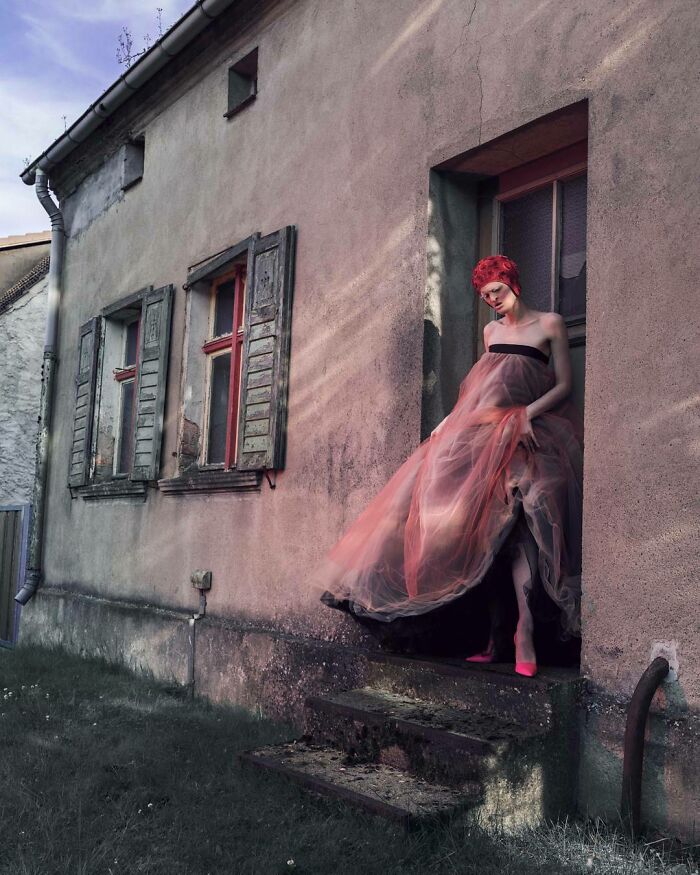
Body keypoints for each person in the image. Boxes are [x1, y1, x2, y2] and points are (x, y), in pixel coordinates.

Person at [318, 255, 583, 677]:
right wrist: (445, 425)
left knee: (523, 527)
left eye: (496, 290)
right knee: (476, 532)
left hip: (525, 434)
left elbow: (565, 386)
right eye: (484, 296)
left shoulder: (550, 323)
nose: (492, 300)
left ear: (512, 282)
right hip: (477, 433)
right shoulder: (491, 330)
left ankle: (525, 633)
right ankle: (496, 636)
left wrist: (524, 417)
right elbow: (481, 389)